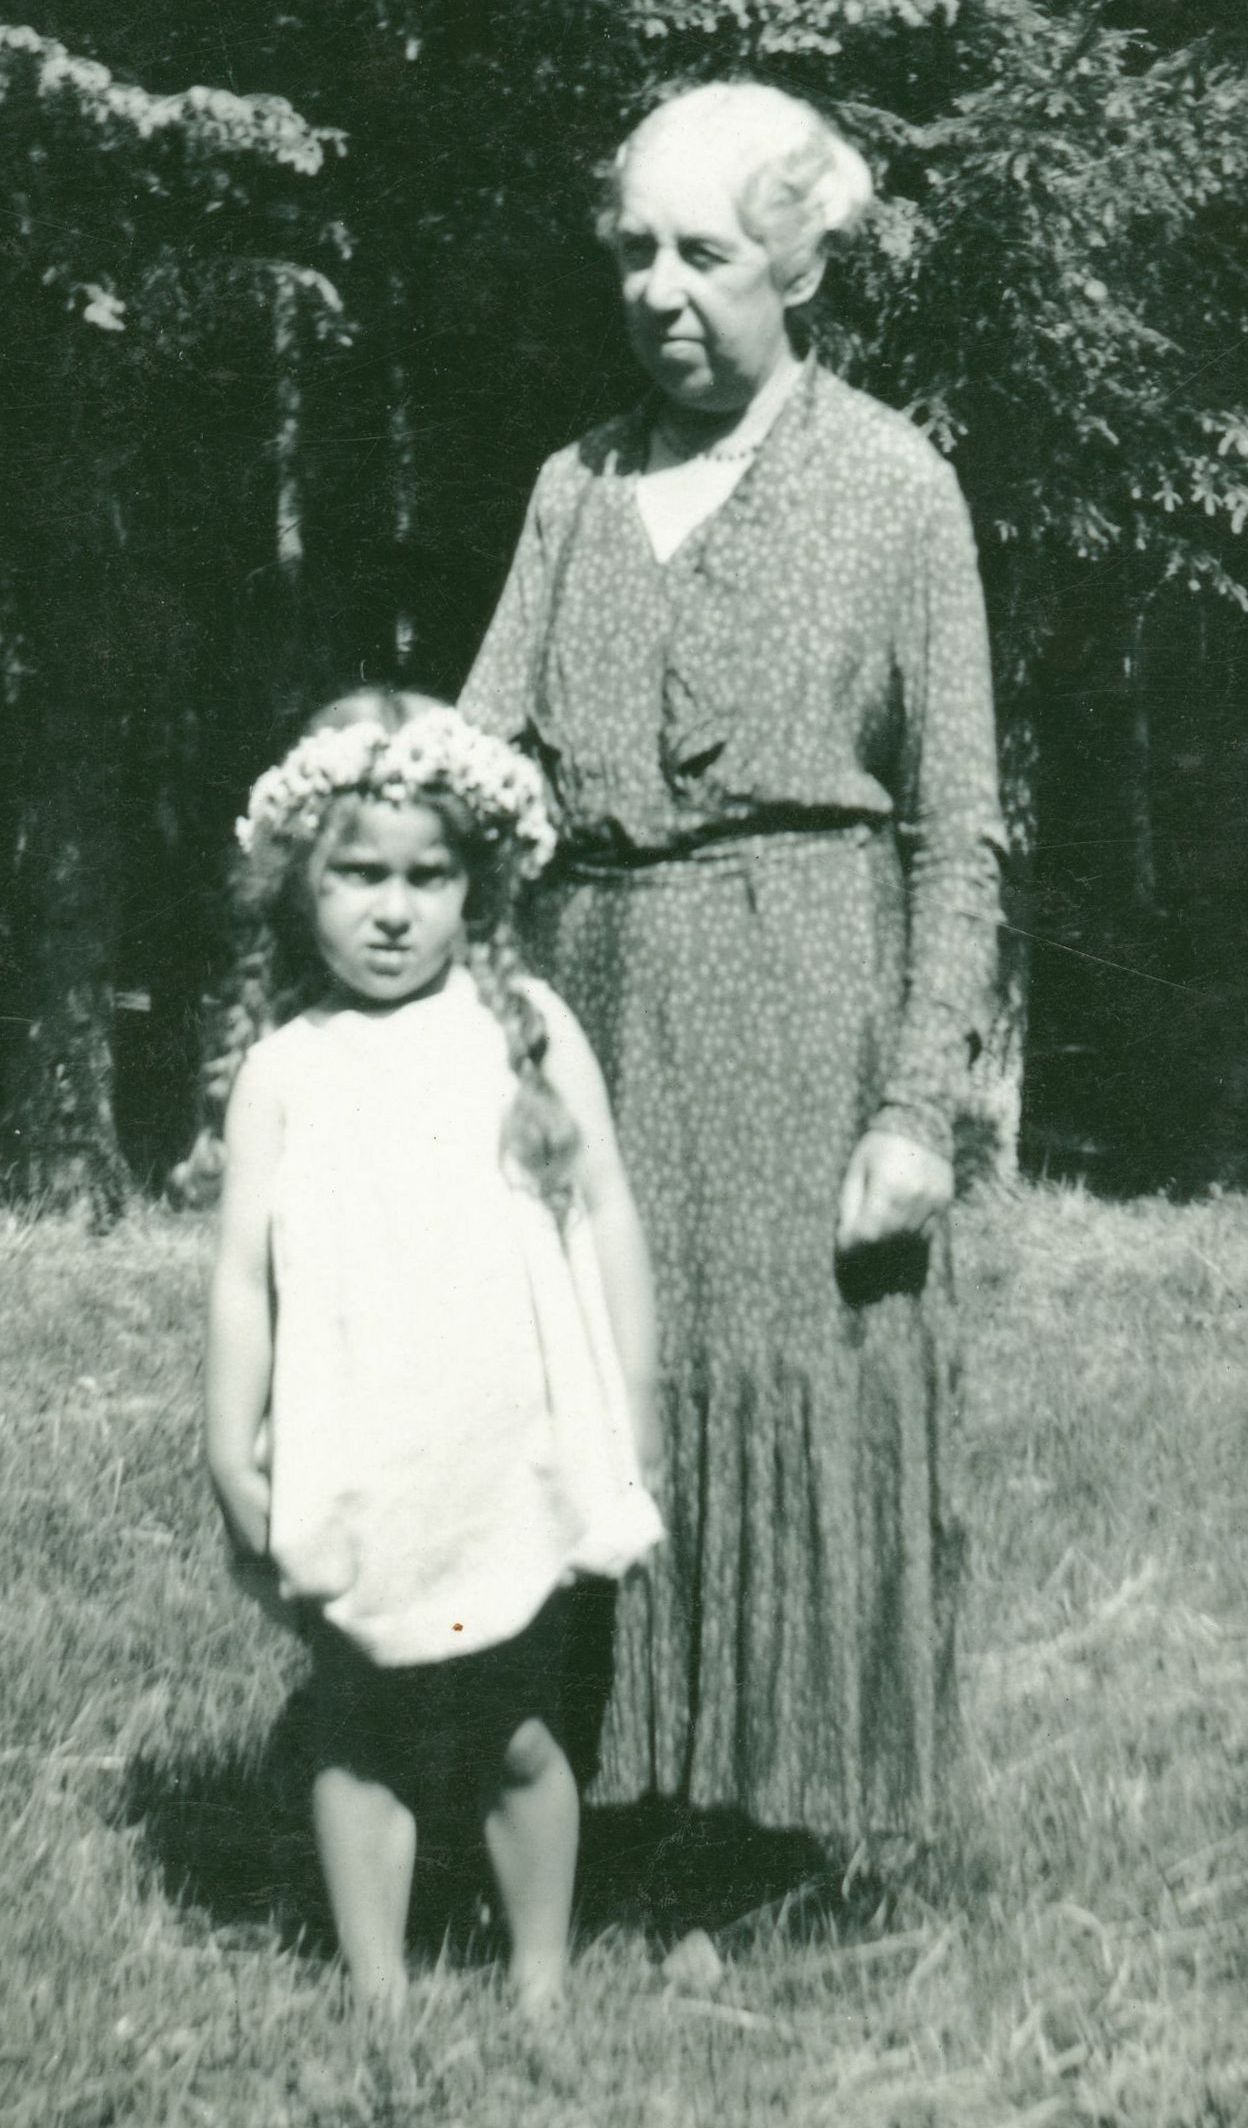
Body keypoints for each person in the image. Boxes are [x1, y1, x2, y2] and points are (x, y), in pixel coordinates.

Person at [460, 82, 1005, 1849]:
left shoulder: (896, 488)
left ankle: (767, 1824)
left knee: (781, 1389)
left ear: (803, 266)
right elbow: (476, 766)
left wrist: (916, 1109)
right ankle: (596, 1798)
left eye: (705, 254)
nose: (660, 291)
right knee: (598, 1381)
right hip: (592, 1009)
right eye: (634, 252)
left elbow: (958, 827)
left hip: (803, 1012)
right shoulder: (573, 489)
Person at [203, 691, 663, 2016]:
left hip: (504, 1450)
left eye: (429, 875)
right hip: (357, 1444)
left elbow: (609, 1216)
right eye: (359, 875)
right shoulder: (287, 1069)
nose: (394, 911)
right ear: (299, 883)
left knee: (516, 1727)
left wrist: (632, 1411)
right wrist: (229, 1445)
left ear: (479, 884)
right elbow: (241, 1282)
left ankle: (539, 1983)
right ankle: (381, 1996)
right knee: (361, 1727)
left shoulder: (525, 1030)